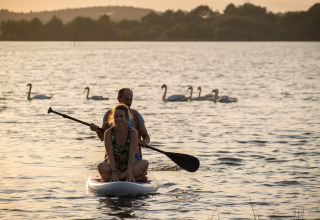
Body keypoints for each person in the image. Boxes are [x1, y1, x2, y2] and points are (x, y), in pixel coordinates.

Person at [90, 87, 150, 160]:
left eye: (131, 99)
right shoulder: (108, 114)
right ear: (118, 99)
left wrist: (144, 142)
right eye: (126, 99)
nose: (129, 102)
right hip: (113, 155)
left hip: (133, 155)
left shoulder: (136, 115)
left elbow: (146, 136)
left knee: (144, 164)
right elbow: (102, 138)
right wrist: (97, 130)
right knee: (102, 168)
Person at [96, 104, 149, 182]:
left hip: (130, 166)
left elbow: (132, 155)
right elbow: (110, 155)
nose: (118, 119)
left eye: (121, 116)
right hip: (113, 165)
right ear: (113, 118)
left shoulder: (133, 132)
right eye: (116, 116)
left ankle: (116, 178)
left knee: (145, 163)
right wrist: (113, 171)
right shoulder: (108, 133)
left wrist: (129, 171)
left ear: (127, 118)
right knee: (101, 166)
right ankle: (136, 178)